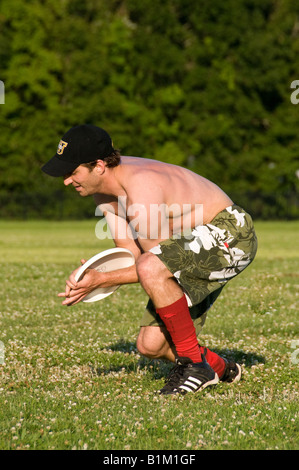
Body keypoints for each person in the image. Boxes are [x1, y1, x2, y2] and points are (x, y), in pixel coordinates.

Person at [42, 124, 258, 395]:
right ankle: (220, 368)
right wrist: (92, 273)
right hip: (195, 243)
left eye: (72, 172)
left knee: (151, 266)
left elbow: (153, 264)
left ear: (98, 166)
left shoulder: (140, 188)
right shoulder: (104, 194)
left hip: (232, 233)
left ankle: (193, 366)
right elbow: (129, 255)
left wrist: (103, 280)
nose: (66, 181)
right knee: (150, 346)